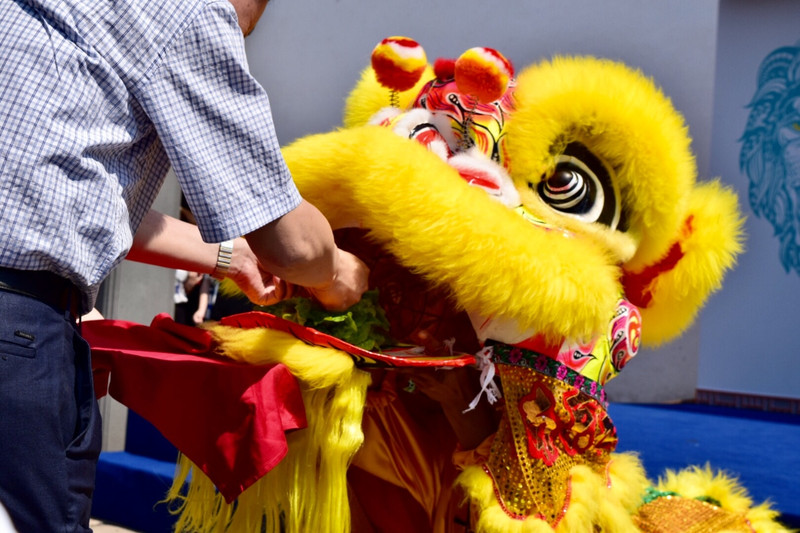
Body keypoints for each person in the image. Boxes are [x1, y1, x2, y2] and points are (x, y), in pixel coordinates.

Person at [0, 0, 369, 531]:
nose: (238, 45)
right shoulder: (187, 12)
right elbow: (291, 243)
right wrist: (337, 273)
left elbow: (73, 200)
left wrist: (228, 255)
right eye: (246, 29)